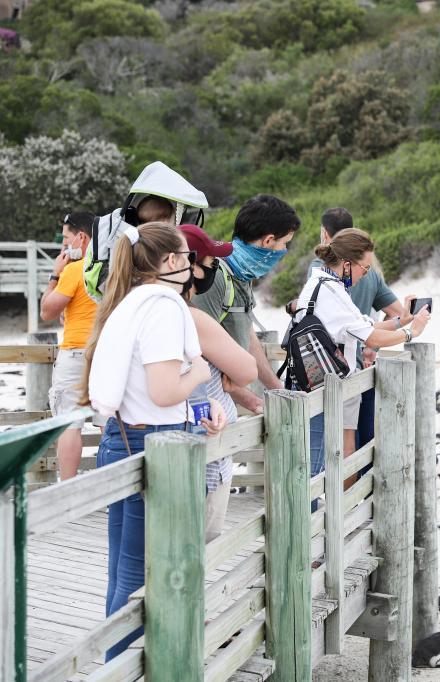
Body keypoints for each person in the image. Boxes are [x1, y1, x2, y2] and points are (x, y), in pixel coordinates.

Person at [81, 222, 227, 660]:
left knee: (122, 575)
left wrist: (203, 406)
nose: (194, 266)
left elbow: (144, 391)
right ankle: (123, 668)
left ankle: (116, 666)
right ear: (169, 261)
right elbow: (163, 392)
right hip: (153, 446)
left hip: (122, 439)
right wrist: (200, 372)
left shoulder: (129, 301)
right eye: (188, 257)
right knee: (142, 579)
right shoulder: (164, 307)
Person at [298, 229, 430, 483]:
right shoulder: (330, 291)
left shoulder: (327, 283)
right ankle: (344, 506)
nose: (366, 274)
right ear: (347, 264)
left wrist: (402, 320)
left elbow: (364, 326)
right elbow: (371, 338)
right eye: (365, 268)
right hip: (325, 382)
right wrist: (411, 333)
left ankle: (342, 505)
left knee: (321, 458)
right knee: (317, 463)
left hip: (320, 379)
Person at [308, 210, 412, 453]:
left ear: (324, 233)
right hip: (356, 365)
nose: (363, 272)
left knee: (332, 443)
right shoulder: (370, 274)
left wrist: (397, 332)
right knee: (354, 438)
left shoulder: (320, 271)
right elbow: (396, 314)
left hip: (327, 367)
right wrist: (371, 348)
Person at [180, 224, 258, 541]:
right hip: (205, 450)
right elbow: (247, 371)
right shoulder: (192, 317)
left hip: (164, 446)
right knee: (202, 545)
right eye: (211, 264)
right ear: (190, 267)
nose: (215, 272)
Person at [191, 194, 299, 414]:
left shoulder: (242, 273)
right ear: (268, 241)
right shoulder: (215, 276)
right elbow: (197, 349)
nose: (283, 250)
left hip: (225, 406)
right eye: (284, 243)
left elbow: (248, 338)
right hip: (206, 409)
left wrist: (278, 389)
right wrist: (250, 400)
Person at [39, 211, 96, 480]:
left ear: (81, 237)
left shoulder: (75, 269)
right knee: (110, 425)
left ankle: (69, 489)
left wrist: (55, 275)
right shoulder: (113, 268)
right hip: (107, 353)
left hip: (75, 353)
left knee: (70, 425)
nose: (64, 245)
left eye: (66, 239)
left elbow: (46, 311)